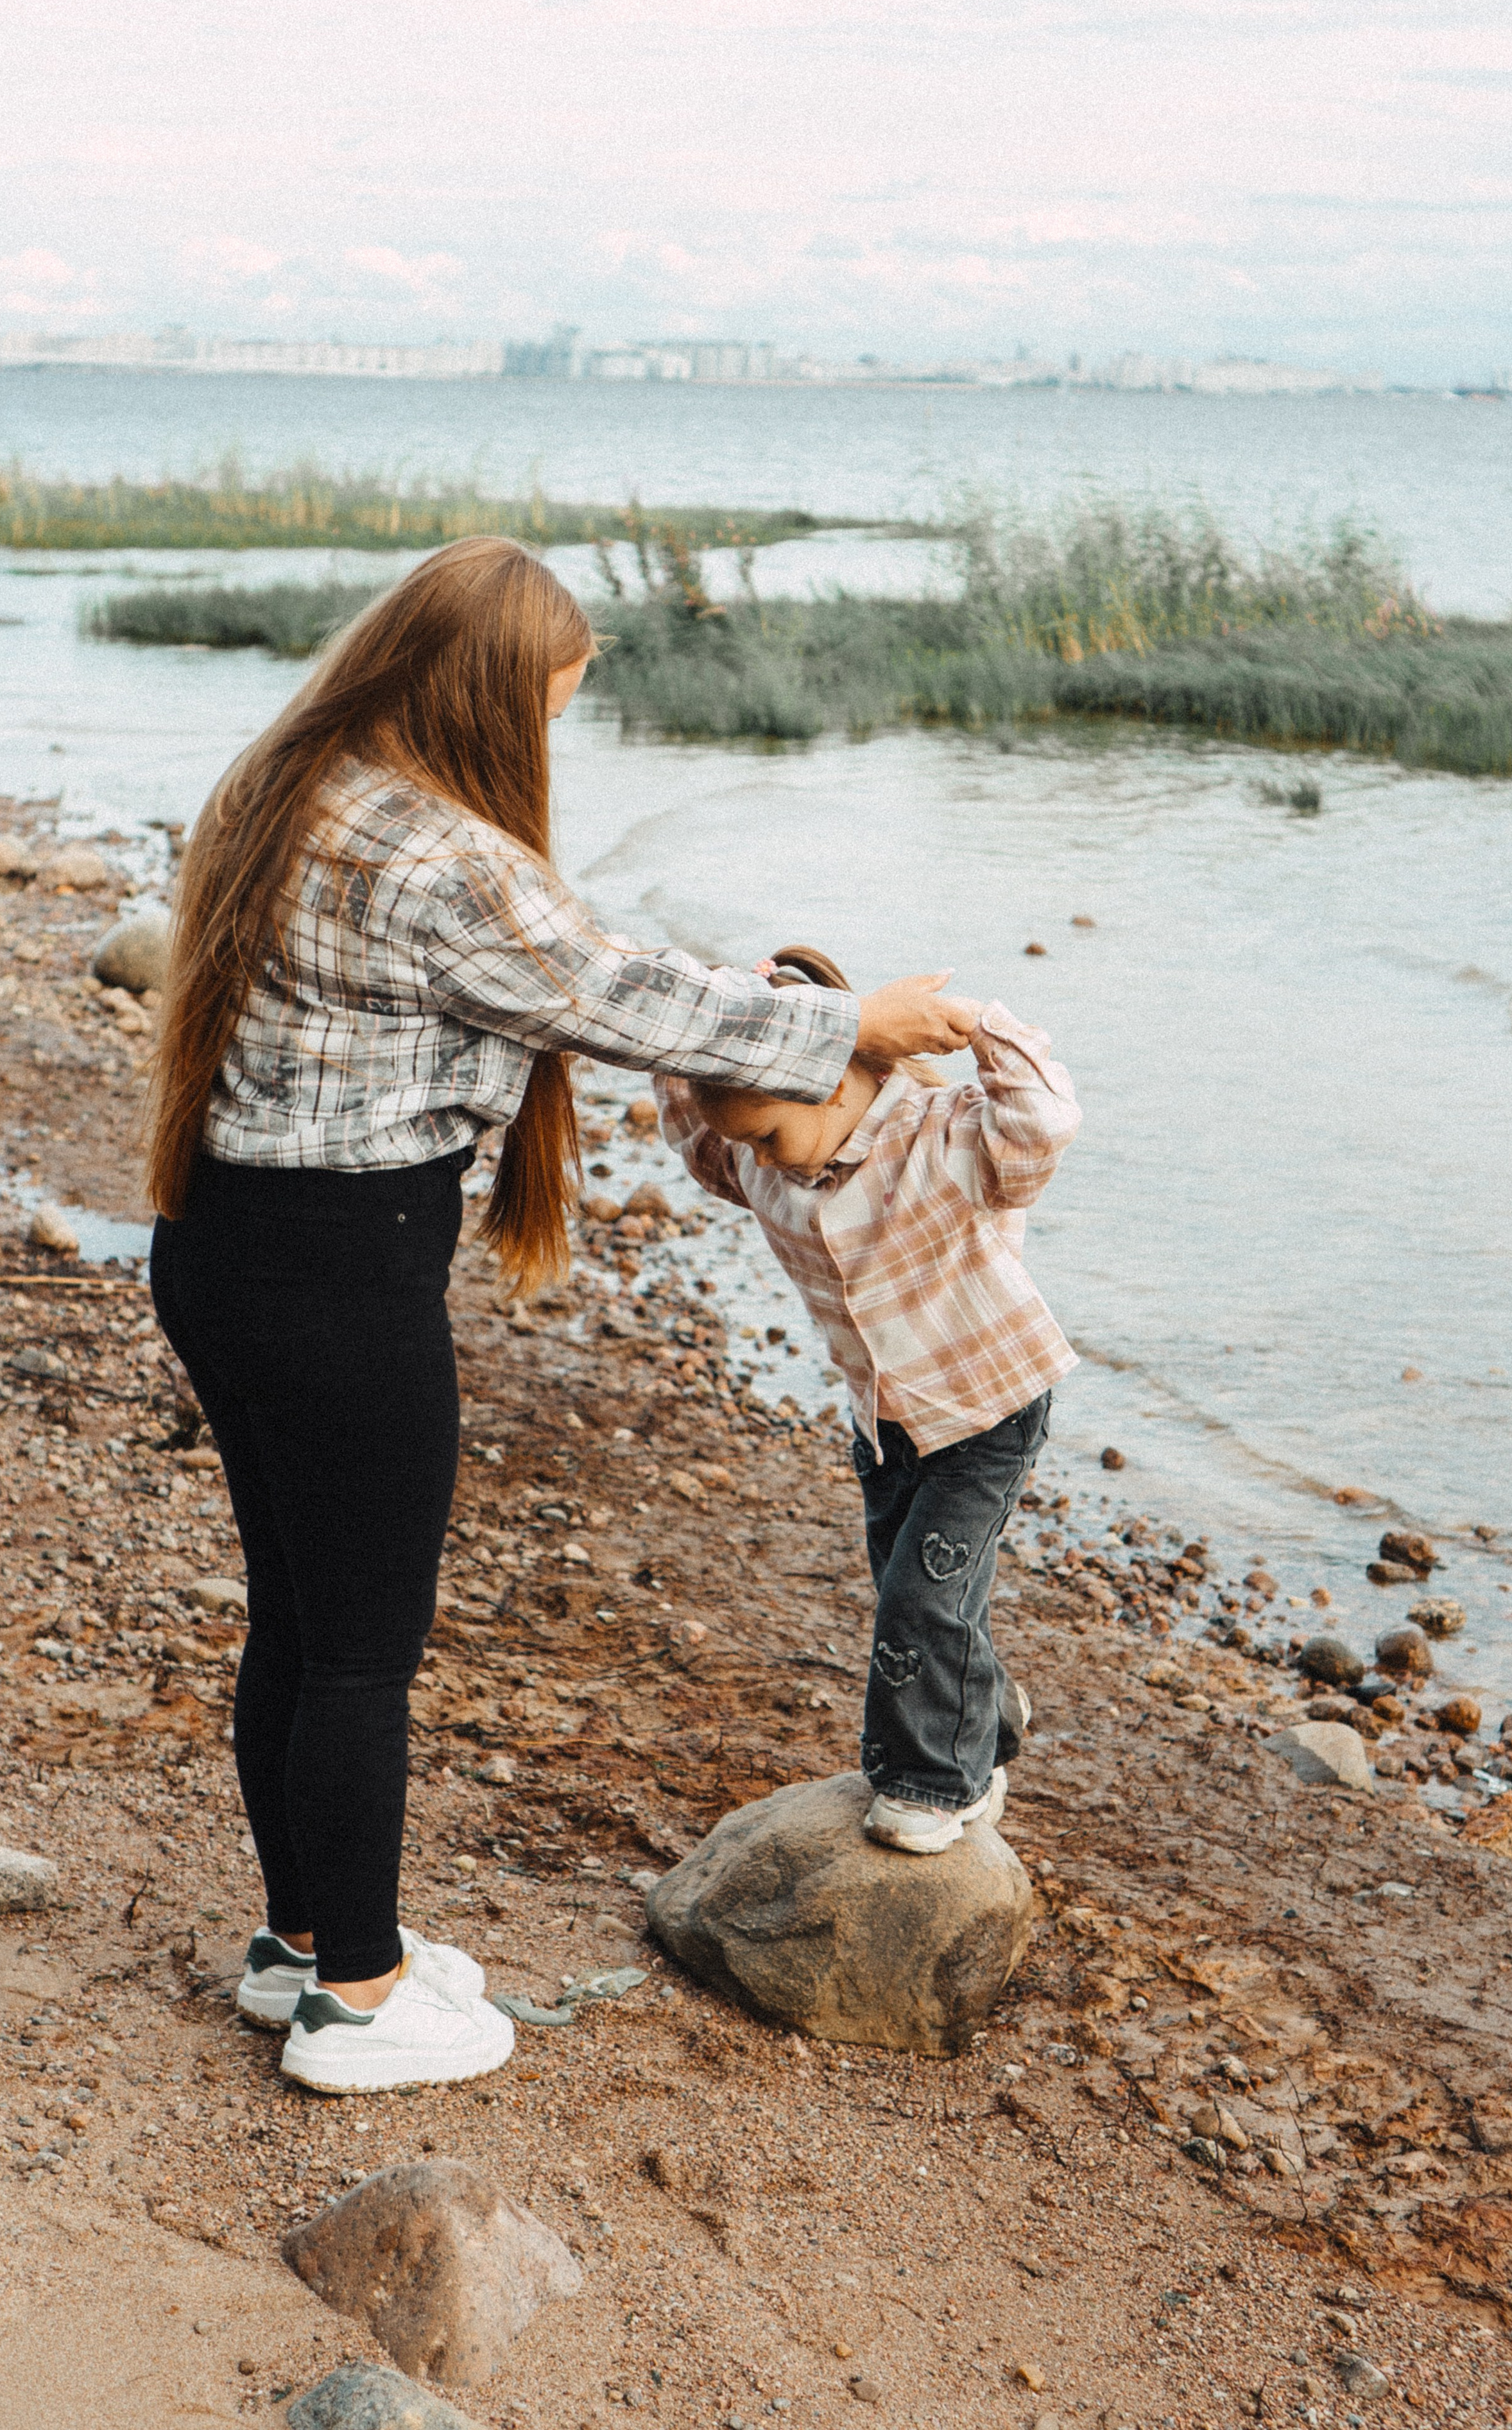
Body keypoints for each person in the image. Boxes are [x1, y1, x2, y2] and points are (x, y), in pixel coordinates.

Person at [144, 540, 979, 2093]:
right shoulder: (440, 857)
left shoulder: (293, 778)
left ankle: (304, 1945)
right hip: (338, 1274)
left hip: (220, 1243)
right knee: (358, 1657)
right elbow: (613, 997)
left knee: (300, 1614)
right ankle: (363, 2005)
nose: (547, 736)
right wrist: (850, 1022)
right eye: (547, 705)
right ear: (480, 693)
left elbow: (577, 971)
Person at [657, 945, 1081, 1853]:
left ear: (836, 1079)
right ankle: (989, 1719)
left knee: (919, 1603)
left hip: (987, 1406)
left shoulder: (945, 1133)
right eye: (742, 1142)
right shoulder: (760, 1162)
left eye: (766, 1133)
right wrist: (703, 1018)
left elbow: (1044, 1122)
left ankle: (939, 1784)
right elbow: (695, 1140)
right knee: (916, 1586)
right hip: (886, 1417)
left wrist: (981, 1028)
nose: (753, 1159)